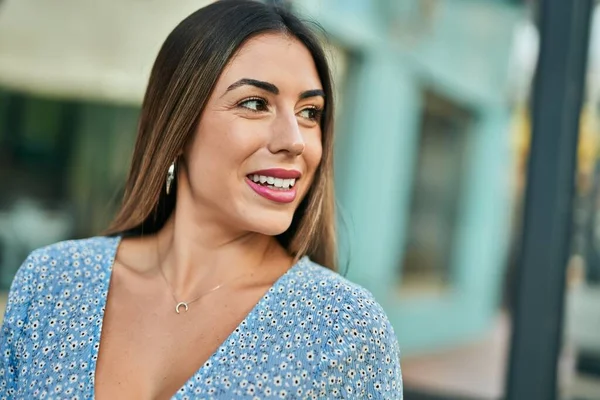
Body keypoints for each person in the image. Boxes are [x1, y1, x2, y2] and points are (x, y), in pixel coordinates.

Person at [0, 0, 403, 398]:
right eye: (255, 104)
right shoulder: (53, 282)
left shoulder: (345, 330)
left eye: (310, 112)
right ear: (178, 126)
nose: (294, 141)